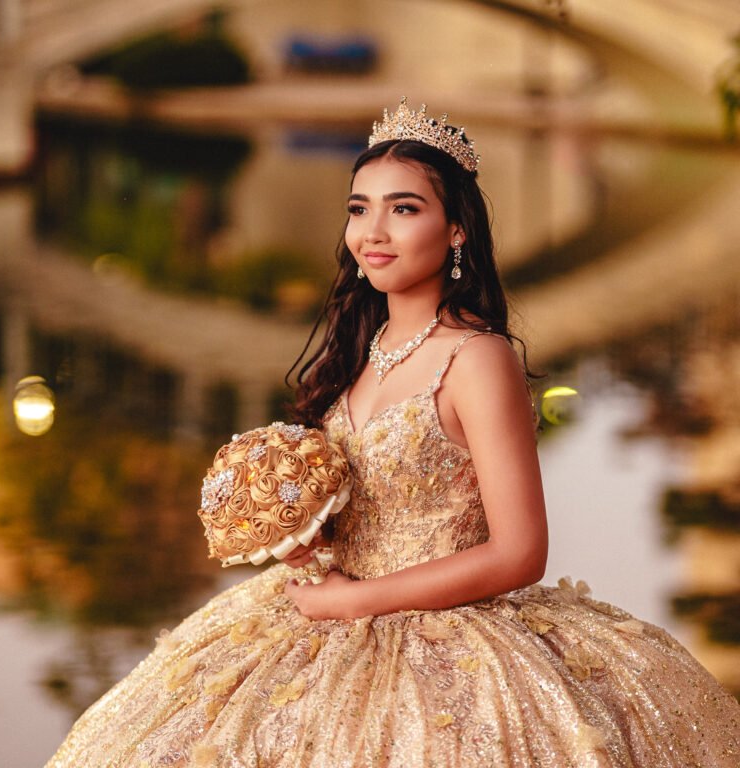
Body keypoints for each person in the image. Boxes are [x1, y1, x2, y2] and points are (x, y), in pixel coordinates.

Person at [42, 101, 740, 767]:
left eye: (403, 209)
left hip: (443, 635)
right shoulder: (358, 350)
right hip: (324, 615)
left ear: (456, 229)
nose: (372, 232)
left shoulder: (478, 358)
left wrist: (355, 601)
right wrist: (295, 531)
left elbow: (521, 552)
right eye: (359, 209)